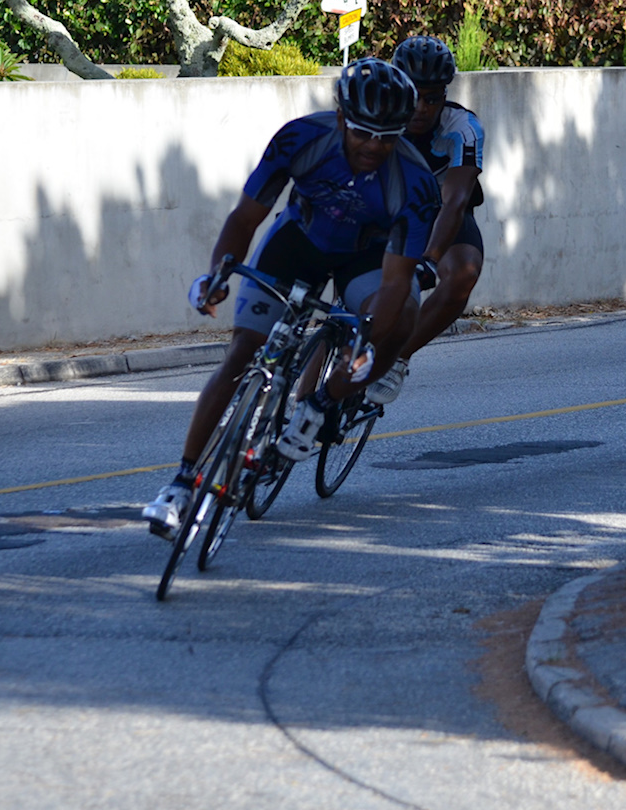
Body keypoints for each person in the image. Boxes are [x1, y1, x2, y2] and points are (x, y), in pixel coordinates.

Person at [142, 58, 440, 537]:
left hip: (365, 258)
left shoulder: (416, 181)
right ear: (342, 118)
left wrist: (366, 343)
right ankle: (180, 483)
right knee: (242, 352)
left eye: (388, 136)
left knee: (400, 312)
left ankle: (318, 407)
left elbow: (392, 282)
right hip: (298, 241)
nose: (375, 146)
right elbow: (244, 219)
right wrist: (218, 274)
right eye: (364, 133)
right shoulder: (300, 139)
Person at [361, 35, 488, 405]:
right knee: (357, 302)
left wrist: (430, 261)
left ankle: (397, 358)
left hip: (438, 210)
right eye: (414, 94)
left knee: (463, 272)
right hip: (384, 207)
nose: (421, 107)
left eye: (432, 97)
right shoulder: (375, 114)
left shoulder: (462, 127)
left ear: (445, 95)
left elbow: (456, 200)